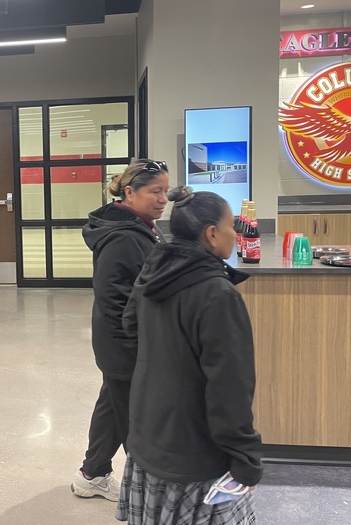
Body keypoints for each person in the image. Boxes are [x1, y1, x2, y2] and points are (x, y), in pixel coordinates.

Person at [116, 186, 262, 525]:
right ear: (211, 234)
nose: (236, 234)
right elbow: (231, 388)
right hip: (194, 453)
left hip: (149, 433)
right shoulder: (217, 294)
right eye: (231, 226)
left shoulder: (155, 270)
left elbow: (130, 324)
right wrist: (245, 459)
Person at [72, 158, 169, 502]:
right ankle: (147, 491)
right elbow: (113, 297)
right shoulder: (123, 236)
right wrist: (133, 346)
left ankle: (92, 473)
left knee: (112, 406)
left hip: (124, 339)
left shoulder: (139, 225)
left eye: (165, 192)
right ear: (130, 192)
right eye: (155, 191)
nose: (163, 199)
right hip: (122, 340)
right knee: (134, 417)